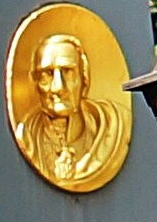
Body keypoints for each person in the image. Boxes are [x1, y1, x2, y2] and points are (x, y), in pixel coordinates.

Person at [19, 29, 129, 188]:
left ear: (84, 80)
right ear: (35, 83)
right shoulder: (28, 137)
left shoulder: (113, 126)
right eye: (46, 74)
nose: (58, 87)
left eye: (67, 71)